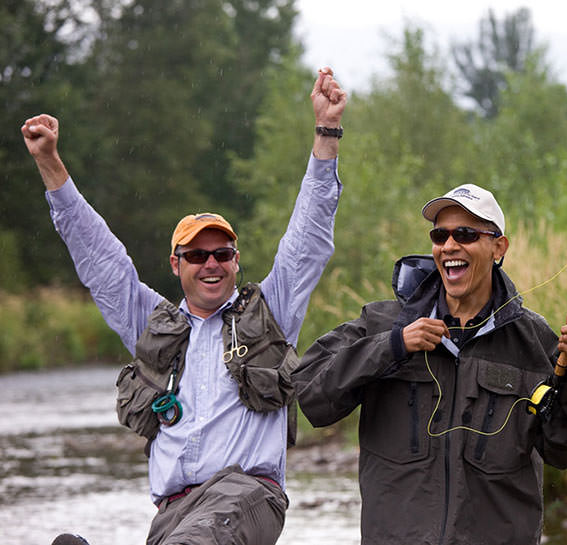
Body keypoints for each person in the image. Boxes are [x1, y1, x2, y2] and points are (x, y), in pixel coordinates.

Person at [22, 67, 347, 545]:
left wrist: (327, 133)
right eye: (197, 255)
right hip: (173, 511)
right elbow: (99, 259)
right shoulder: (151, 325)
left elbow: (309, 237)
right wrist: (50, 163)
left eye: (222, 254)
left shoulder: (271, 313)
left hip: (247, 497)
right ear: (176, 265)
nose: (210, 264)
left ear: (236, 261)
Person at [291, 183, 567, 545]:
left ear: (499, 247)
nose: (449, 246)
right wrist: (393, 345)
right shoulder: (383, 324)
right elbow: (311, 393)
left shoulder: (535, 342)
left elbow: (564, 451)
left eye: (465, 234)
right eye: (440, 235)